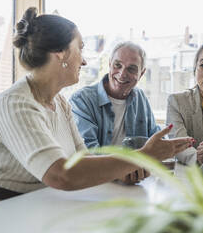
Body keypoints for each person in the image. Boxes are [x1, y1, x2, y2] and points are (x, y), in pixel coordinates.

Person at [0, 7, 193, 207]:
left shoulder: (60, 103)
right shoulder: (15, 104)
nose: (84, 61)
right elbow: (62, 175)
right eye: (80, 48)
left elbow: (84, 157)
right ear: (61, 53)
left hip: (40, 204)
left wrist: (119, 171)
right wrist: (142, 156)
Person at [69, 42, 160, 185]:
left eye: (132, 69)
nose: (122, 73)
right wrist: (121, 169)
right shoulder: (82, 100)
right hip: (97, 184)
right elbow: (88, 152)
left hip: (136, 184)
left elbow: (155, 139)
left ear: (141, 73)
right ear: (109, 64)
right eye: (117, 65)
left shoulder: (140, 97)